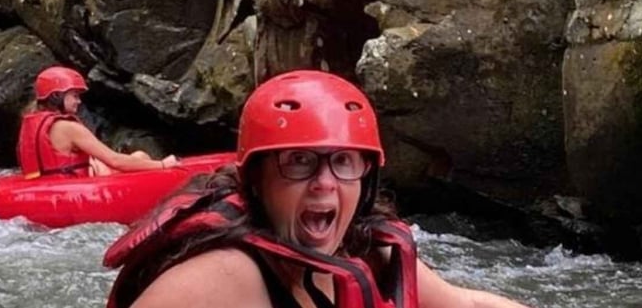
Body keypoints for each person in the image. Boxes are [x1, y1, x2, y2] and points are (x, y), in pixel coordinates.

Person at [105, 69, 535, 308]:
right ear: (256, 179)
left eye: (343, 161)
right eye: (299, 162)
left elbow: (467, 306)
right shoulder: (224, 278)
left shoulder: (364, 249)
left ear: (365, 179)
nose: (325, 182)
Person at [17, 65, 180, 178]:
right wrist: (163, 165)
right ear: (56, 96)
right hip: (72, 191)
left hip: (47, 186)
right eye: (74, 95)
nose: (79, 101)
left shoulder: (29, 123)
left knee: (109, 162)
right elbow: (115, 161)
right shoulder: (68, 127)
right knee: (141, 156)